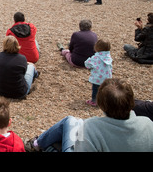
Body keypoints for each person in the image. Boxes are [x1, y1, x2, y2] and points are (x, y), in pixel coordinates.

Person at [25, 78, 153, 152]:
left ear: (102, 105)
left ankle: (35, 144)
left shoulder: (91, 127)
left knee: (69, 121)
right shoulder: (148, 124)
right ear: (132, 102)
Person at [84, 39, 112, 106]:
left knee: (96, 89)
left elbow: (87, 64)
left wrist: (88, 65)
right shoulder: (108, 56)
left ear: (96, 47)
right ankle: (104, 101)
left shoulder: (96, 57)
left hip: (98, 78)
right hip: (107, 78)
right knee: (104, 90)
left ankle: (94, 101)